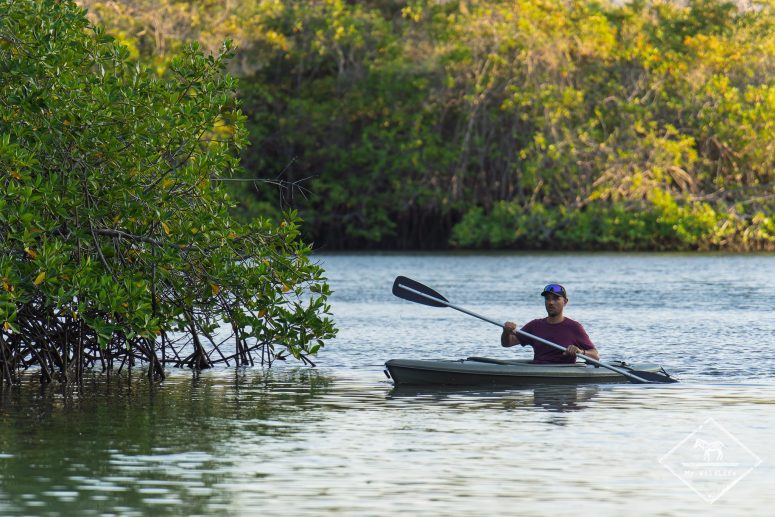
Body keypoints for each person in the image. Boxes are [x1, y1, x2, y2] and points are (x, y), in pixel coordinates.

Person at [501, 283, 599, 364]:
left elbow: (595, 356)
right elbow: (507, 343)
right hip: (538, 378)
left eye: (556, 298)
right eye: (547, 298)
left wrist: (580, 352)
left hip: (564, 380)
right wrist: (506, 332)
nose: (551, 302)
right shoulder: (534, 325)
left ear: (565, 302)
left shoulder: (574, 327)